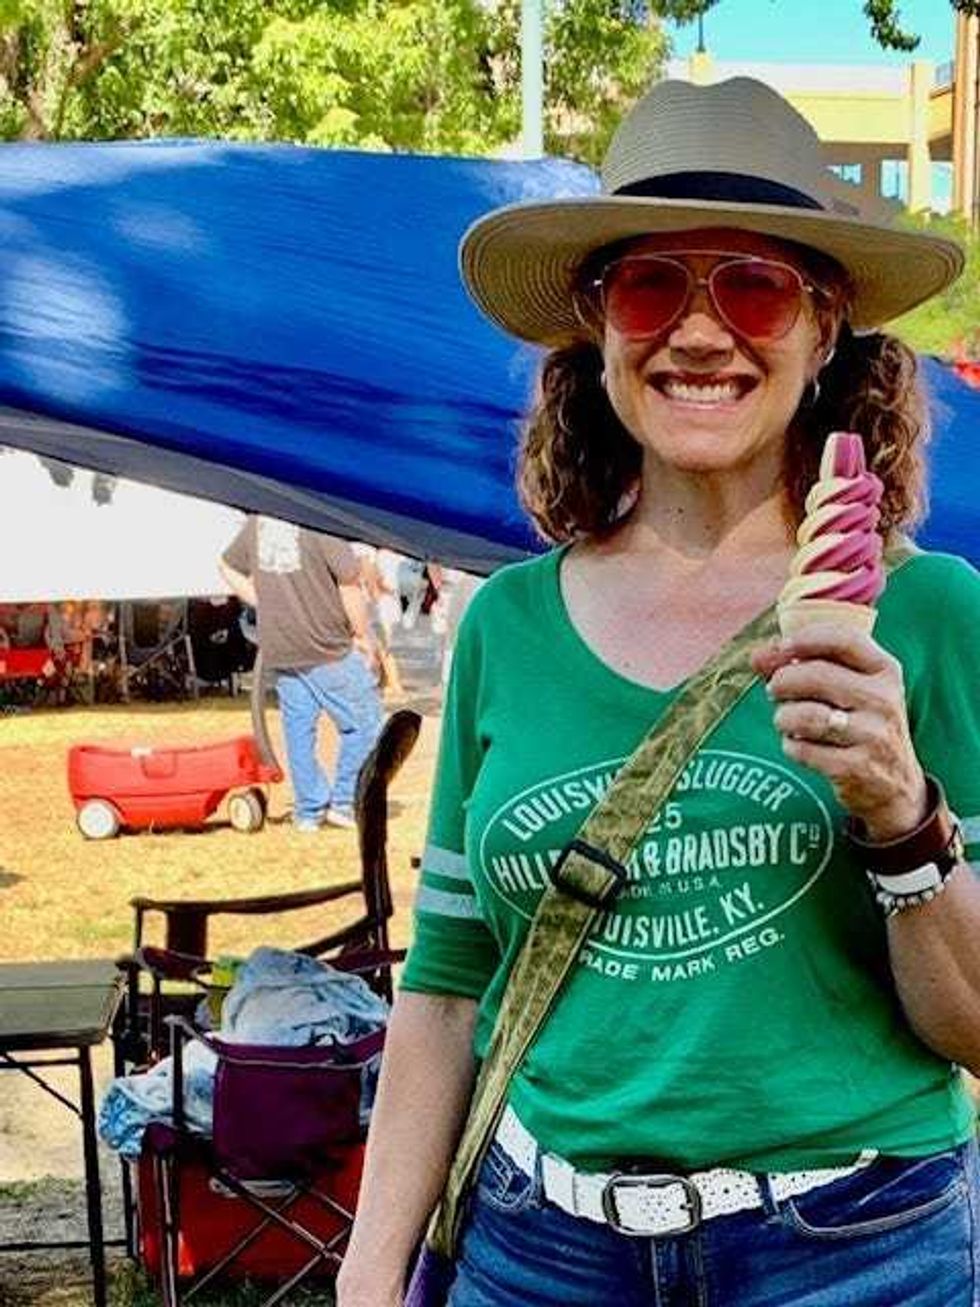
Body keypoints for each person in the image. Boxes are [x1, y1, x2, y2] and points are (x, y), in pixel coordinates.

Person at [338, 75, 980, 1307]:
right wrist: (370, 1271)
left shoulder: (931, 615)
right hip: (538, 1253)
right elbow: (446, 987)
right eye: (648, 286)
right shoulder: (506, 623)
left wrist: (901, 816)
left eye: (752, 286)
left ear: (824, 325)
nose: (697, 332)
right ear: (596, 324)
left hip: (852, 1252)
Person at [220, 515, 382, 831]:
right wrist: (364, 636)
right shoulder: (319, 519)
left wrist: (262, 601)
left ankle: (309, 810)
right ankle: (345, 802)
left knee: (299, 731)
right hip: (326, 644)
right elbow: (349, 583)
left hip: (282, 645)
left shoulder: (259, 522)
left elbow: (226, 566)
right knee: (367, 723)